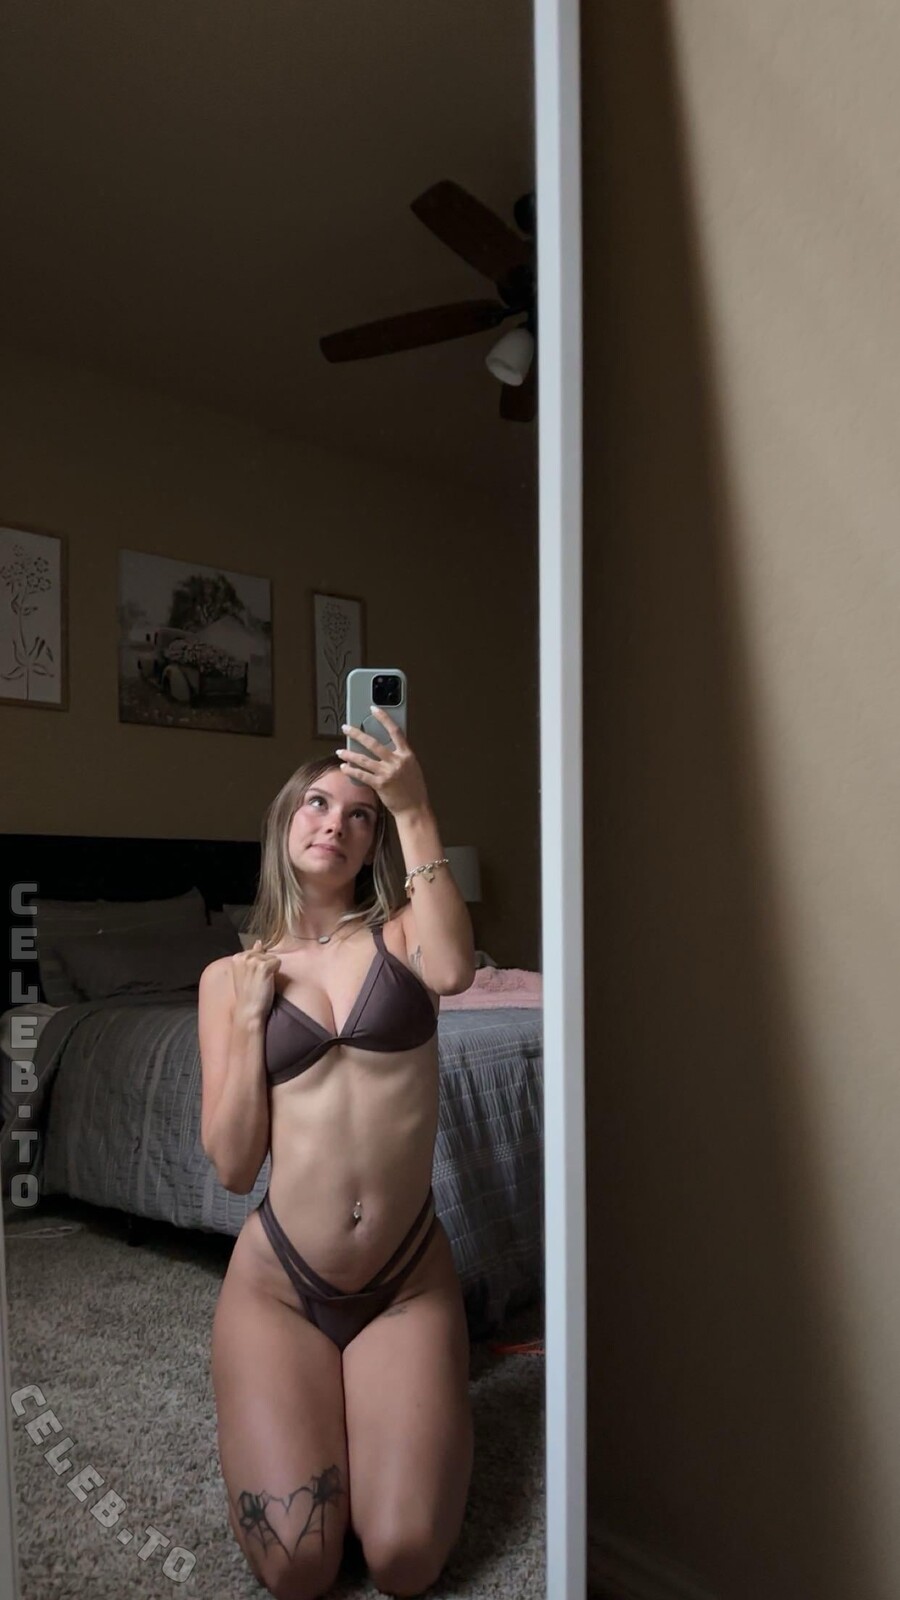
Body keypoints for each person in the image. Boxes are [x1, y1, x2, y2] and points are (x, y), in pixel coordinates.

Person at [197, 705, 477, 1600]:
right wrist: (250, 1020)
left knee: (403, 1559)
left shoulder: (402, 934)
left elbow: (456, 971)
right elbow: (233, 1166)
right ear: (285, 824)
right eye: (317, 804)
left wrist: (413, 805)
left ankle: (387, 1415)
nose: (336, 824)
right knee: (298, 1565)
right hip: (280, 1288)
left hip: (405, 1281)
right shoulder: (228, 979)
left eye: (359, 814)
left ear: (372, 840)